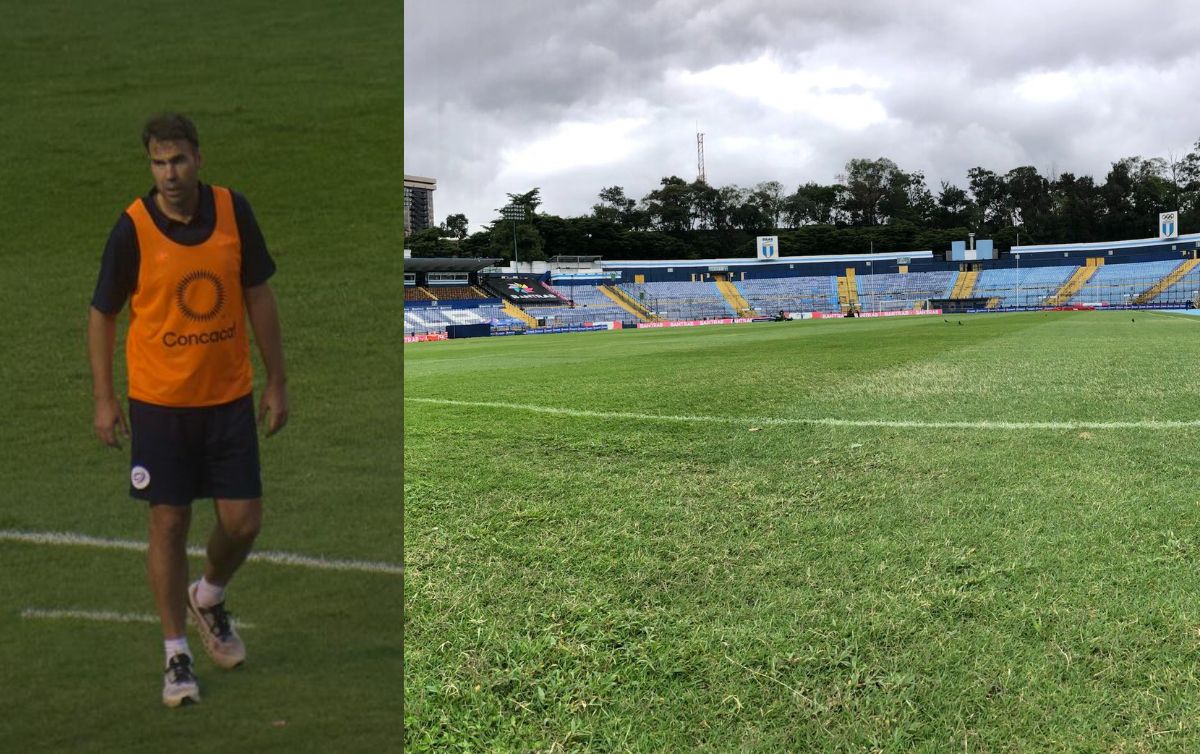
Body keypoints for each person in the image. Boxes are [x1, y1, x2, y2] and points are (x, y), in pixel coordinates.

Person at [87, 113, 289, 707]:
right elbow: (102, 313)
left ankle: (209, 595)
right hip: (159, 404)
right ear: (149, 165)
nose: (168, 174)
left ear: (198, 157)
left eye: (177, 160)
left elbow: (258, 292)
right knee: (168, 523)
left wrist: (277, 379)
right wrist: (104, 399)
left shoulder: (233, 210)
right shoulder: (132, 228)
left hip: (229, 398)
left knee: (244, 521)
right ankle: (176, 655)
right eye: (157, 162)